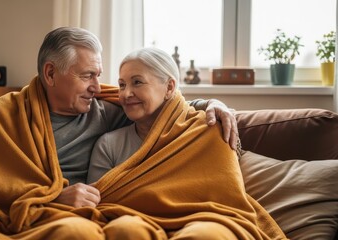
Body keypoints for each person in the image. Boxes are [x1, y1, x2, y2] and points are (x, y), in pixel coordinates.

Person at [0, 27, 239, 239]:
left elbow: (161, 109)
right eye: (87, 76)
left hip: (72, 219)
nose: (100, 87)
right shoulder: (0, 115)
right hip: (4, 214)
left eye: (99, 75)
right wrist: (51, 196)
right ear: (50, 73)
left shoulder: (108, 112)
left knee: (75, 232)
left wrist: (212, 102)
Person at [87, 47, 286, 239]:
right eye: (122, 85)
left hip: (205, 222)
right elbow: (100, 204)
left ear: (170, 87)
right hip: (133, 222)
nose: (126, 93)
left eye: (137, 82)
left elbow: (226, 198)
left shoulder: (205, 129)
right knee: (126, 229)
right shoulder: (108, 145)